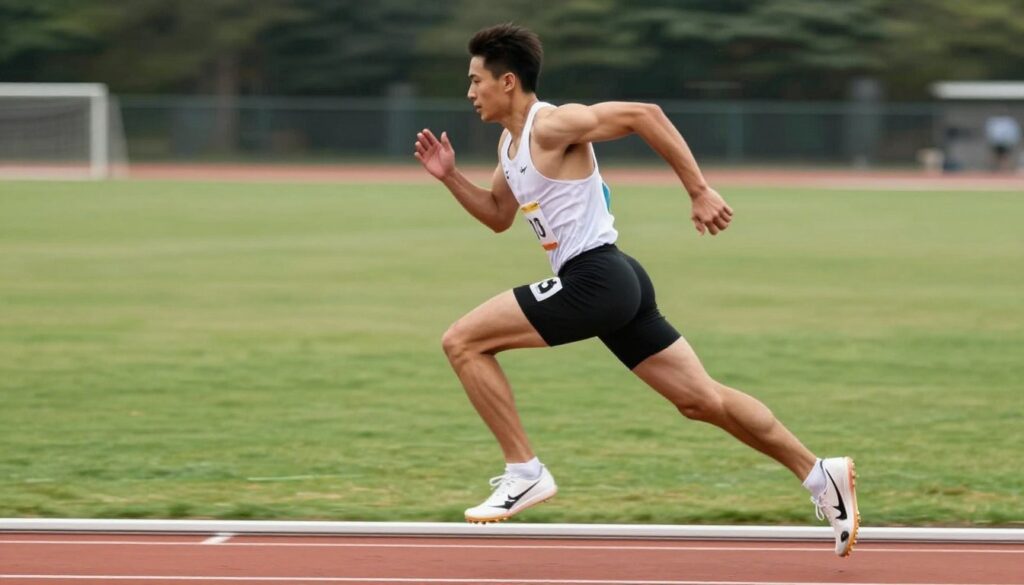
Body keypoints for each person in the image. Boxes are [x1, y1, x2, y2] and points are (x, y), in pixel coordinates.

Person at [413, 23, 860, 557]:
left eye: (475, 80)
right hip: (614, 280)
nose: (469, 92)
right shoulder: (510, 146)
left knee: (463, 341)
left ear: (507, 81)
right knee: (701, 400)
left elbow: (645, 114)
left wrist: (699, 190)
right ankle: (819, 473)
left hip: (595, 279)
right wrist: (449, 176)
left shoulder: (551, 125)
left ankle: (524, 471)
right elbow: (497, 215)